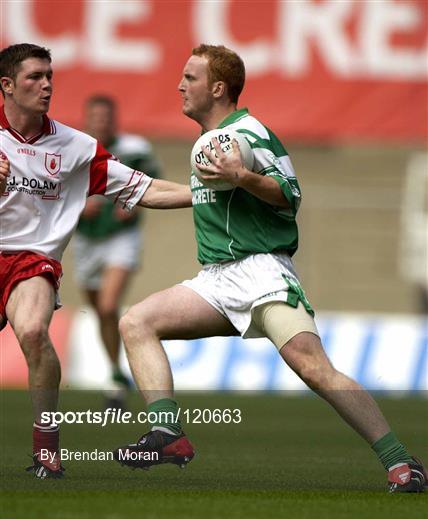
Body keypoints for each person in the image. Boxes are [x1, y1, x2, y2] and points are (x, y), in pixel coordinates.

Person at [114, 44, 427, 493]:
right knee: (137, 321)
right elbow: (179, 193)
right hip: (217, 280)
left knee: (313, 368)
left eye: (191, 77)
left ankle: (401, 462)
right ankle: (167, 436)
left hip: (262, 273)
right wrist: (113, 184)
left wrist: (244, 178)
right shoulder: (213, 144)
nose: (180, 85)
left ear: (218, 88)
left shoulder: (245, 134)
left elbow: (288, 195)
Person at [0, 43, 191, 479]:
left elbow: (144, 188)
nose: (46, 84)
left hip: (31, 260)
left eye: (49, 75)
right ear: (6, 85)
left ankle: (46, 449)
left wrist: (209, 193)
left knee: (32, 330)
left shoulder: (76, 148)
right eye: (34, 77)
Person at [73, 95, 162, 409]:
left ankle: (117, 376)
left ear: (114, 119)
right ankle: (115, 371)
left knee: (109, 305)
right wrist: (77, 206)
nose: (101, 122)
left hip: (122, 237)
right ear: (87, 119)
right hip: (85, 240)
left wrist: (135, 204)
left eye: (105, 117)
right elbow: (56, 189)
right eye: (95, 116)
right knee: (100, 310)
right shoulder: (74, 148)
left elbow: (153, 183)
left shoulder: (134, 149)